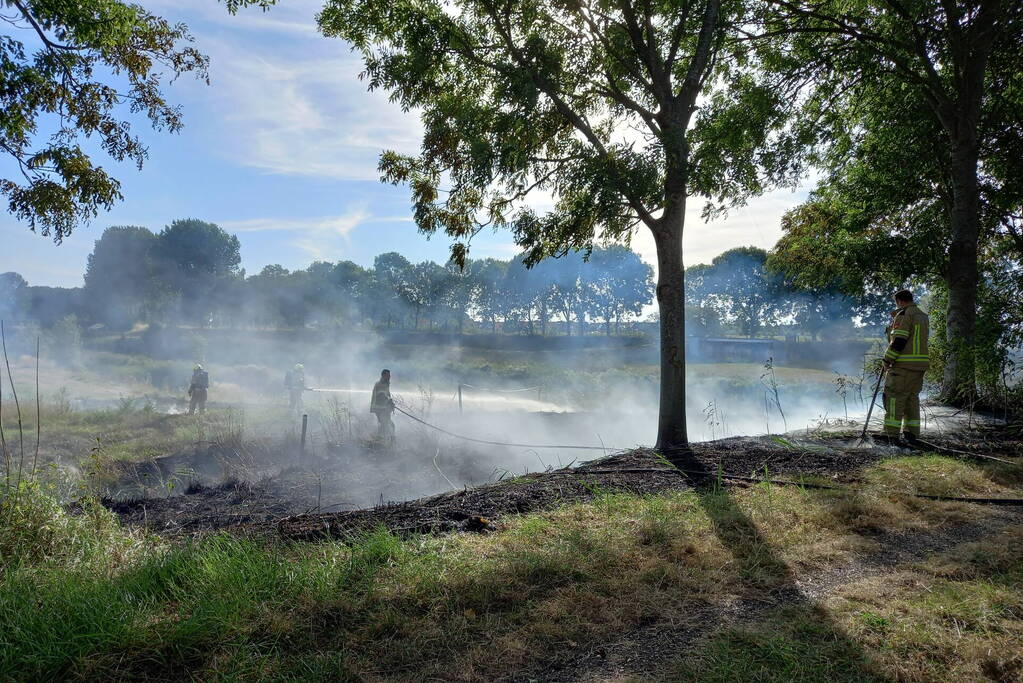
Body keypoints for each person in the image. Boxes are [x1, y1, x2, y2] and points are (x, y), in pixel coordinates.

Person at [881, 289, 929, 444]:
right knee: (911, 399)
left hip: (903, 366)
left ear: (900, 301)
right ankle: (912, 434)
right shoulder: (923, 316)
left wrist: (887, 359)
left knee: (894, 397)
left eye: (897, 303)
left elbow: (899, 340)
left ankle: (891, 435)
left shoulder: (904, 314)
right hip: (920, 366)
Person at [370, 369, 395, 445]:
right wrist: (388, 401)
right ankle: (383, 442)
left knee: (389, 426)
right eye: (388, 375)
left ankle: (385, 441)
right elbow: (380, 397)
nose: (389, 377)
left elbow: (387, 395)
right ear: (383, 376)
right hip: (379, 409)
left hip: (384, 409)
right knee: (386, 425)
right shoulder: (379, 385)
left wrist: (391, 403)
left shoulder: (386, 384)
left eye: (389, 375)